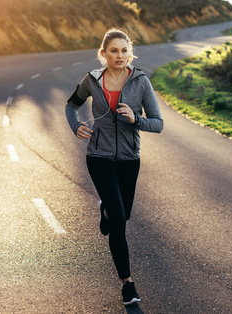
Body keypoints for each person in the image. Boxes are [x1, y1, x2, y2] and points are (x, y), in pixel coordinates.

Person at [65, 28, 163, 306]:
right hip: (99, 156)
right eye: (113, 51)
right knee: (119, 221)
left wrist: (136, 120)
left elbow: (158, 123)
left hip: (130, 158)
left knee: (123, 214)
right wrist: (76, 127)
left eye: (124, 50)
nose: (119, 56)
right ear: (103, 54)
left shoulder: (141, 82)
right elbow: (71, 106)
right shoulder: (92, 80)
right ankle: (127, 285)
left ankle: (105, 208)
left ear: (130, 52)